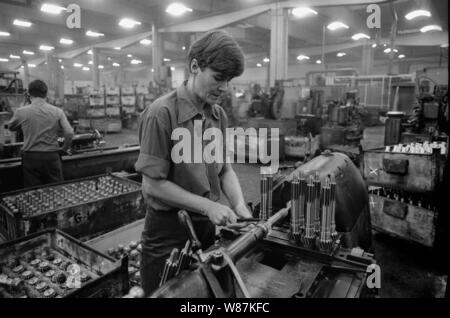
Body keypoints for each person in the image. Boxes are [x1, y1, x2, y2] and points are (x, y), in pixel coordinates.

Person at [135, 30, 252, 295]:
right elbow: (153, 185)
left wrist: (239, 205)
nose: (224, 88)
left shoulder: (217, 115)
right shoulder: (161, 113)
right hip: (167, 235)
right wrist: (209, 206)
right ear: (195, 66)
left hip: (206, 229)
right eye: (218, 78)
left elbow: (225, 170)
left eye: (229, 80)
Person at [7, 79, 74, 187]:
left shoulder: (22, 111)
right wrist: (64, 149)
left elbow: (11, 127)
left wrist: (24, 103)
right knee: (56, 190)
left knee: (33, 192)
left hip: (31, 157)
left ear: (29, 94)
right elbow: (69, 132)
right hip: (52, 156)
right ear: (46, 93)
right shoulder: (57, 111)